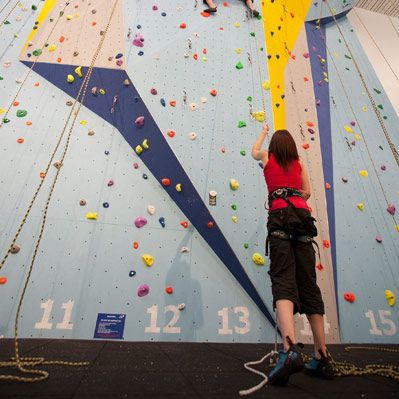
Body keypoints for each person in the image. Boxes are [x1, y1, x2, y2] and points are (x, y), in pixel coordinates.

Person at [251, 124, 334, 385]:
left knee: (283, 280)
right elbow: (307, 192)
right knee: (309, 285)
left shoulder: (267, 158)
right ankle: (322, 355)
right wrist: (294, 193)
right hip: (302, 220)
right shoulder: (298, 164)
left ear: (274, 147)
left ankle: (289, 350)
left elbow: (254, 151)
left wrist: (264, 132)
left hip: (279, 218)